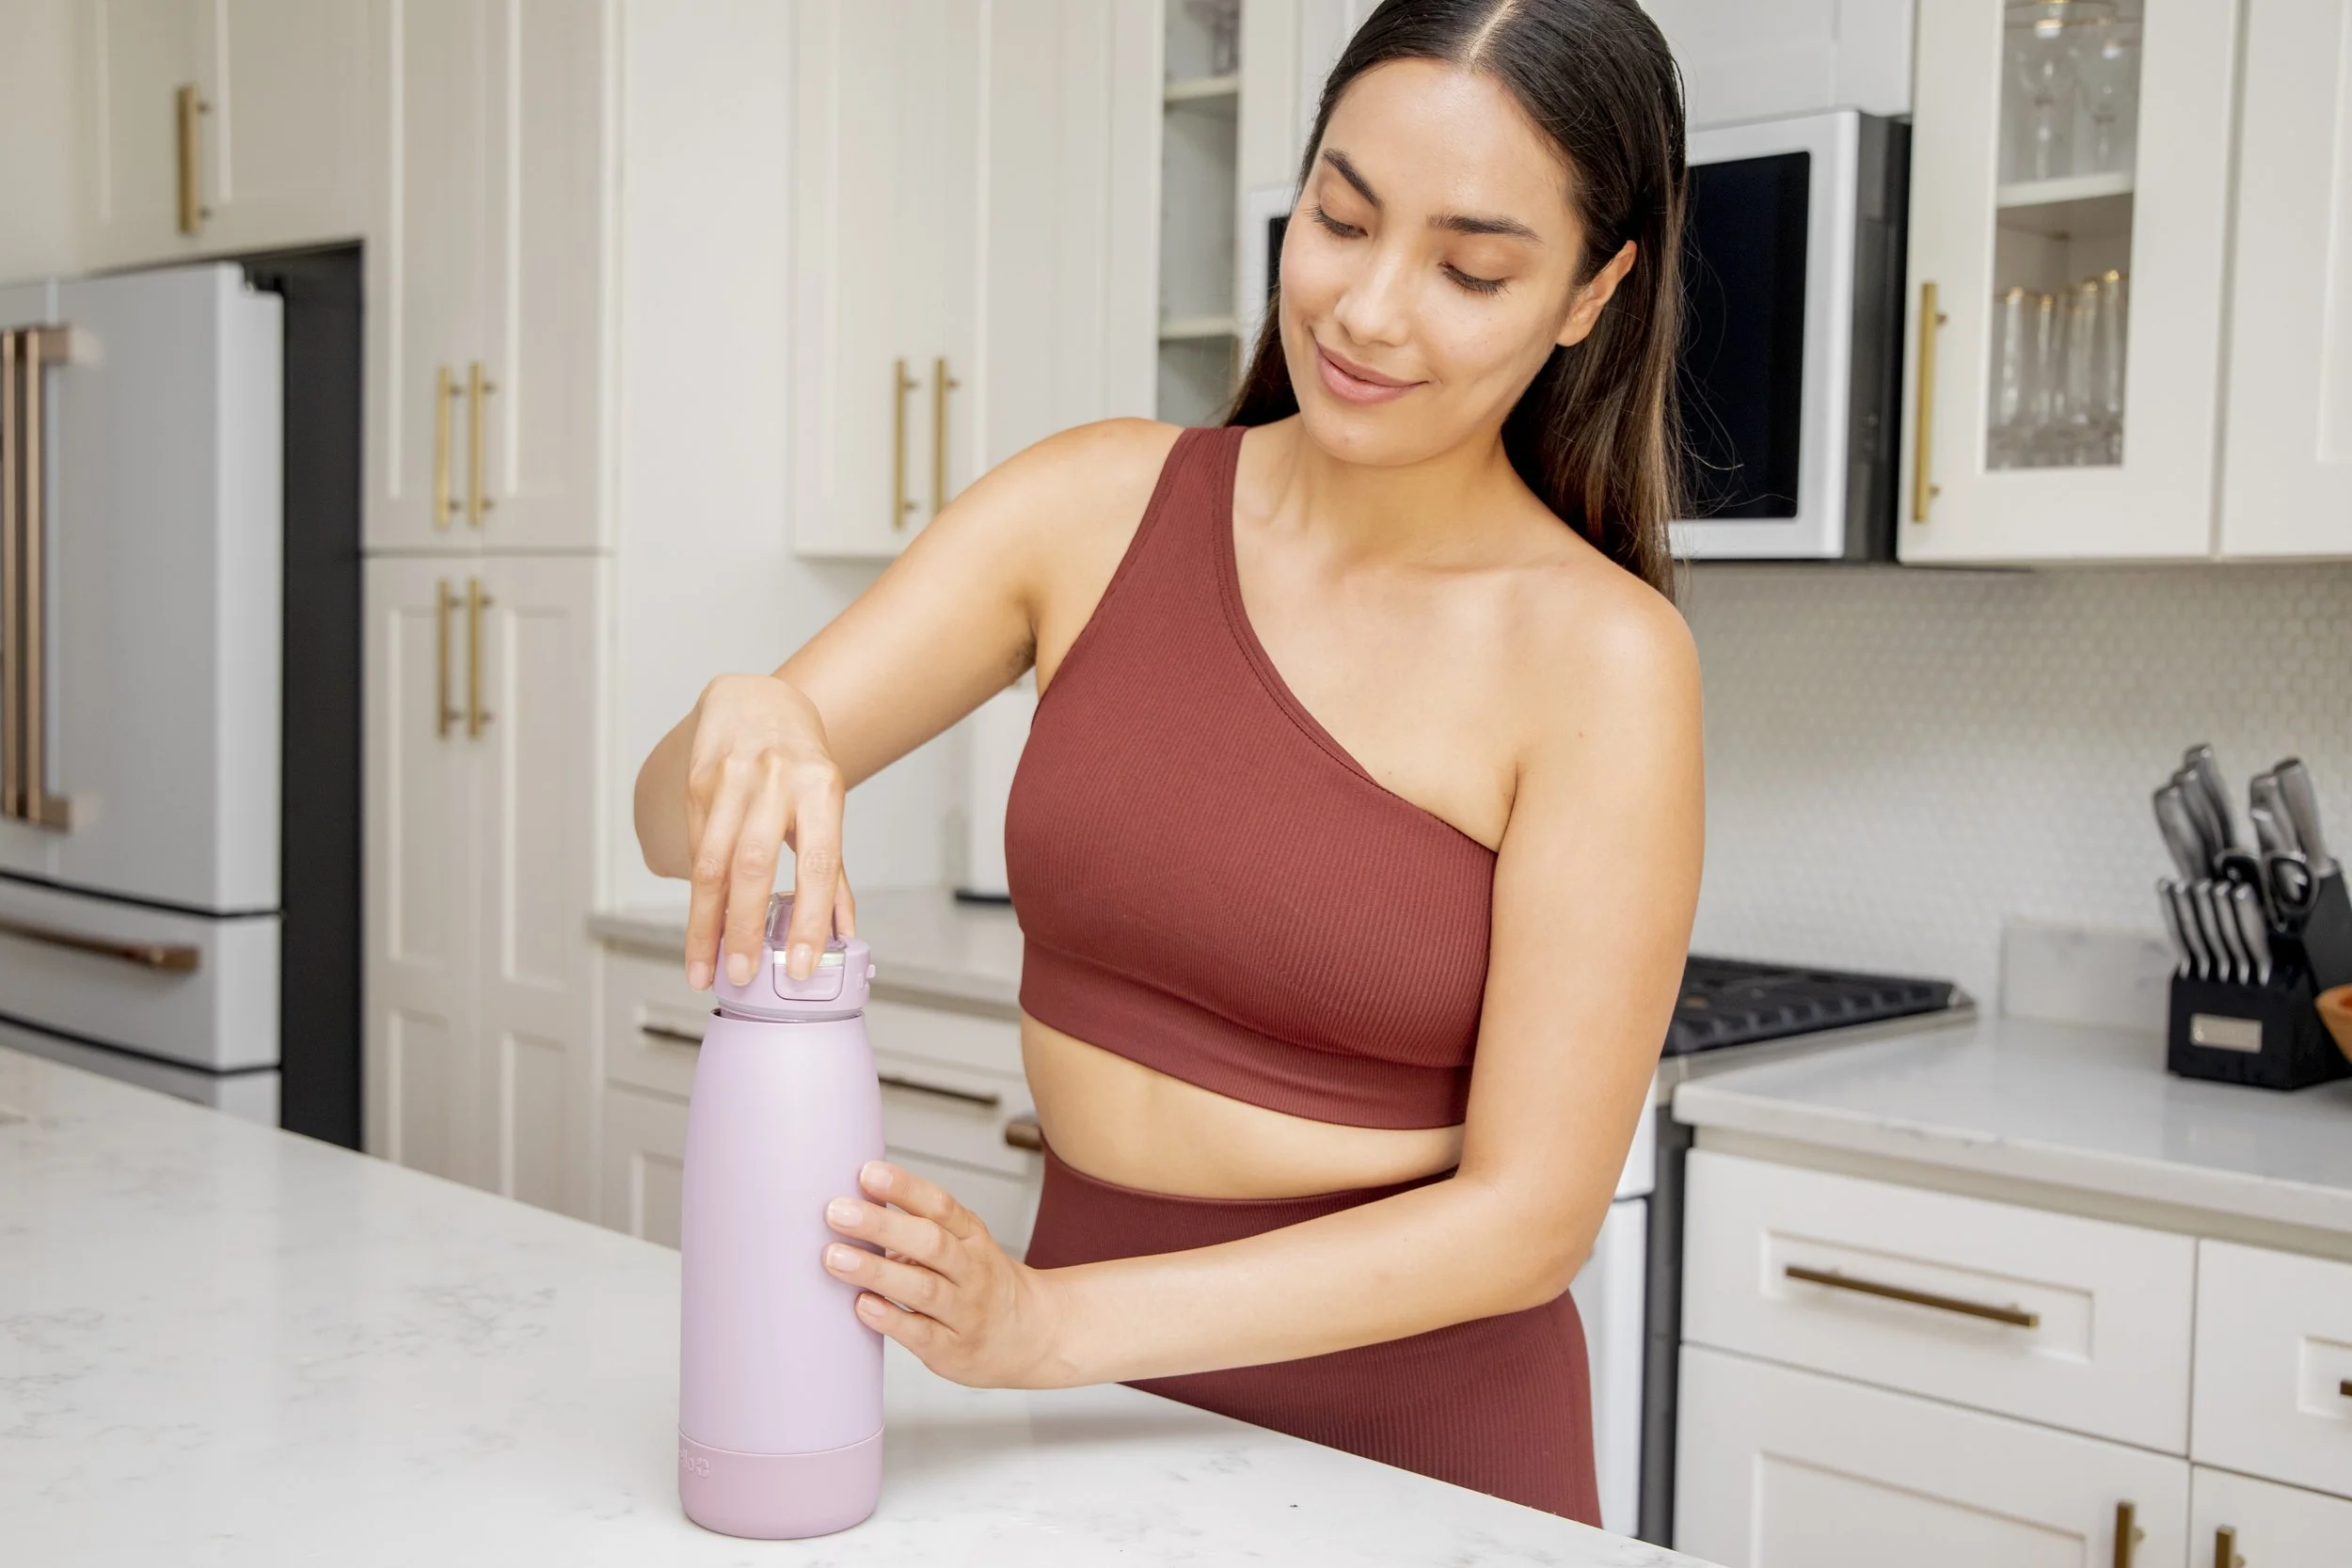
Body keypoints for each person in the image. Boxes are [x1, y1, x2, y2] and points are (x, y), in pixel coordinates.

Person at [632, 0, 1701, 1524]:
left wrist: (1050, 1325)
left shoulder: (1604, 659)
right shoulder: (1090, 508)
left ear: (1592, 293)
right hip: (1080, 1426)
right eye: (1341, 219)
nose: (1368, 311)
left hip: (1418, 1465)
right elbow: (670, 827)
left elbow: (1530, 1220)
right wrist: (744, 717)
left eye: (1469, 270)